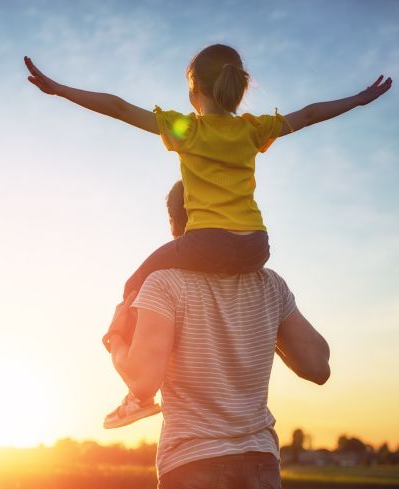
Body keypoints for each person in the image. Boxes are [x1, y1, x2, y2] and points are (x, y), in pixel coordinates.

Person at [24, 44, 391, 425]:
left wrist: (62, 90)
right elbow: (311, 114)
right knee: (185, 273)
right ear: (236, 87)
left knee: (136, 282)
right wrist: (360, 100)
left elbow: (118, 108)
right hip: (255, 246)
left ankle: (139, 395)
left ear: (193, 90)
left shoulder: (188, 129)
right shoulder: (253, 129)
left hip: (207, 242)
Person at [106, 179, 331, 489]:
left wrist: (115, 338)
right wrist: (266, 326)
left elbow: (143, 384)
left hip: (191, 463)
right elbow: (318, 365)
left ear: (174, 223)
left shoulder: (164, 284)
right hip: (260, 463)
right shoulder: (270, 285)